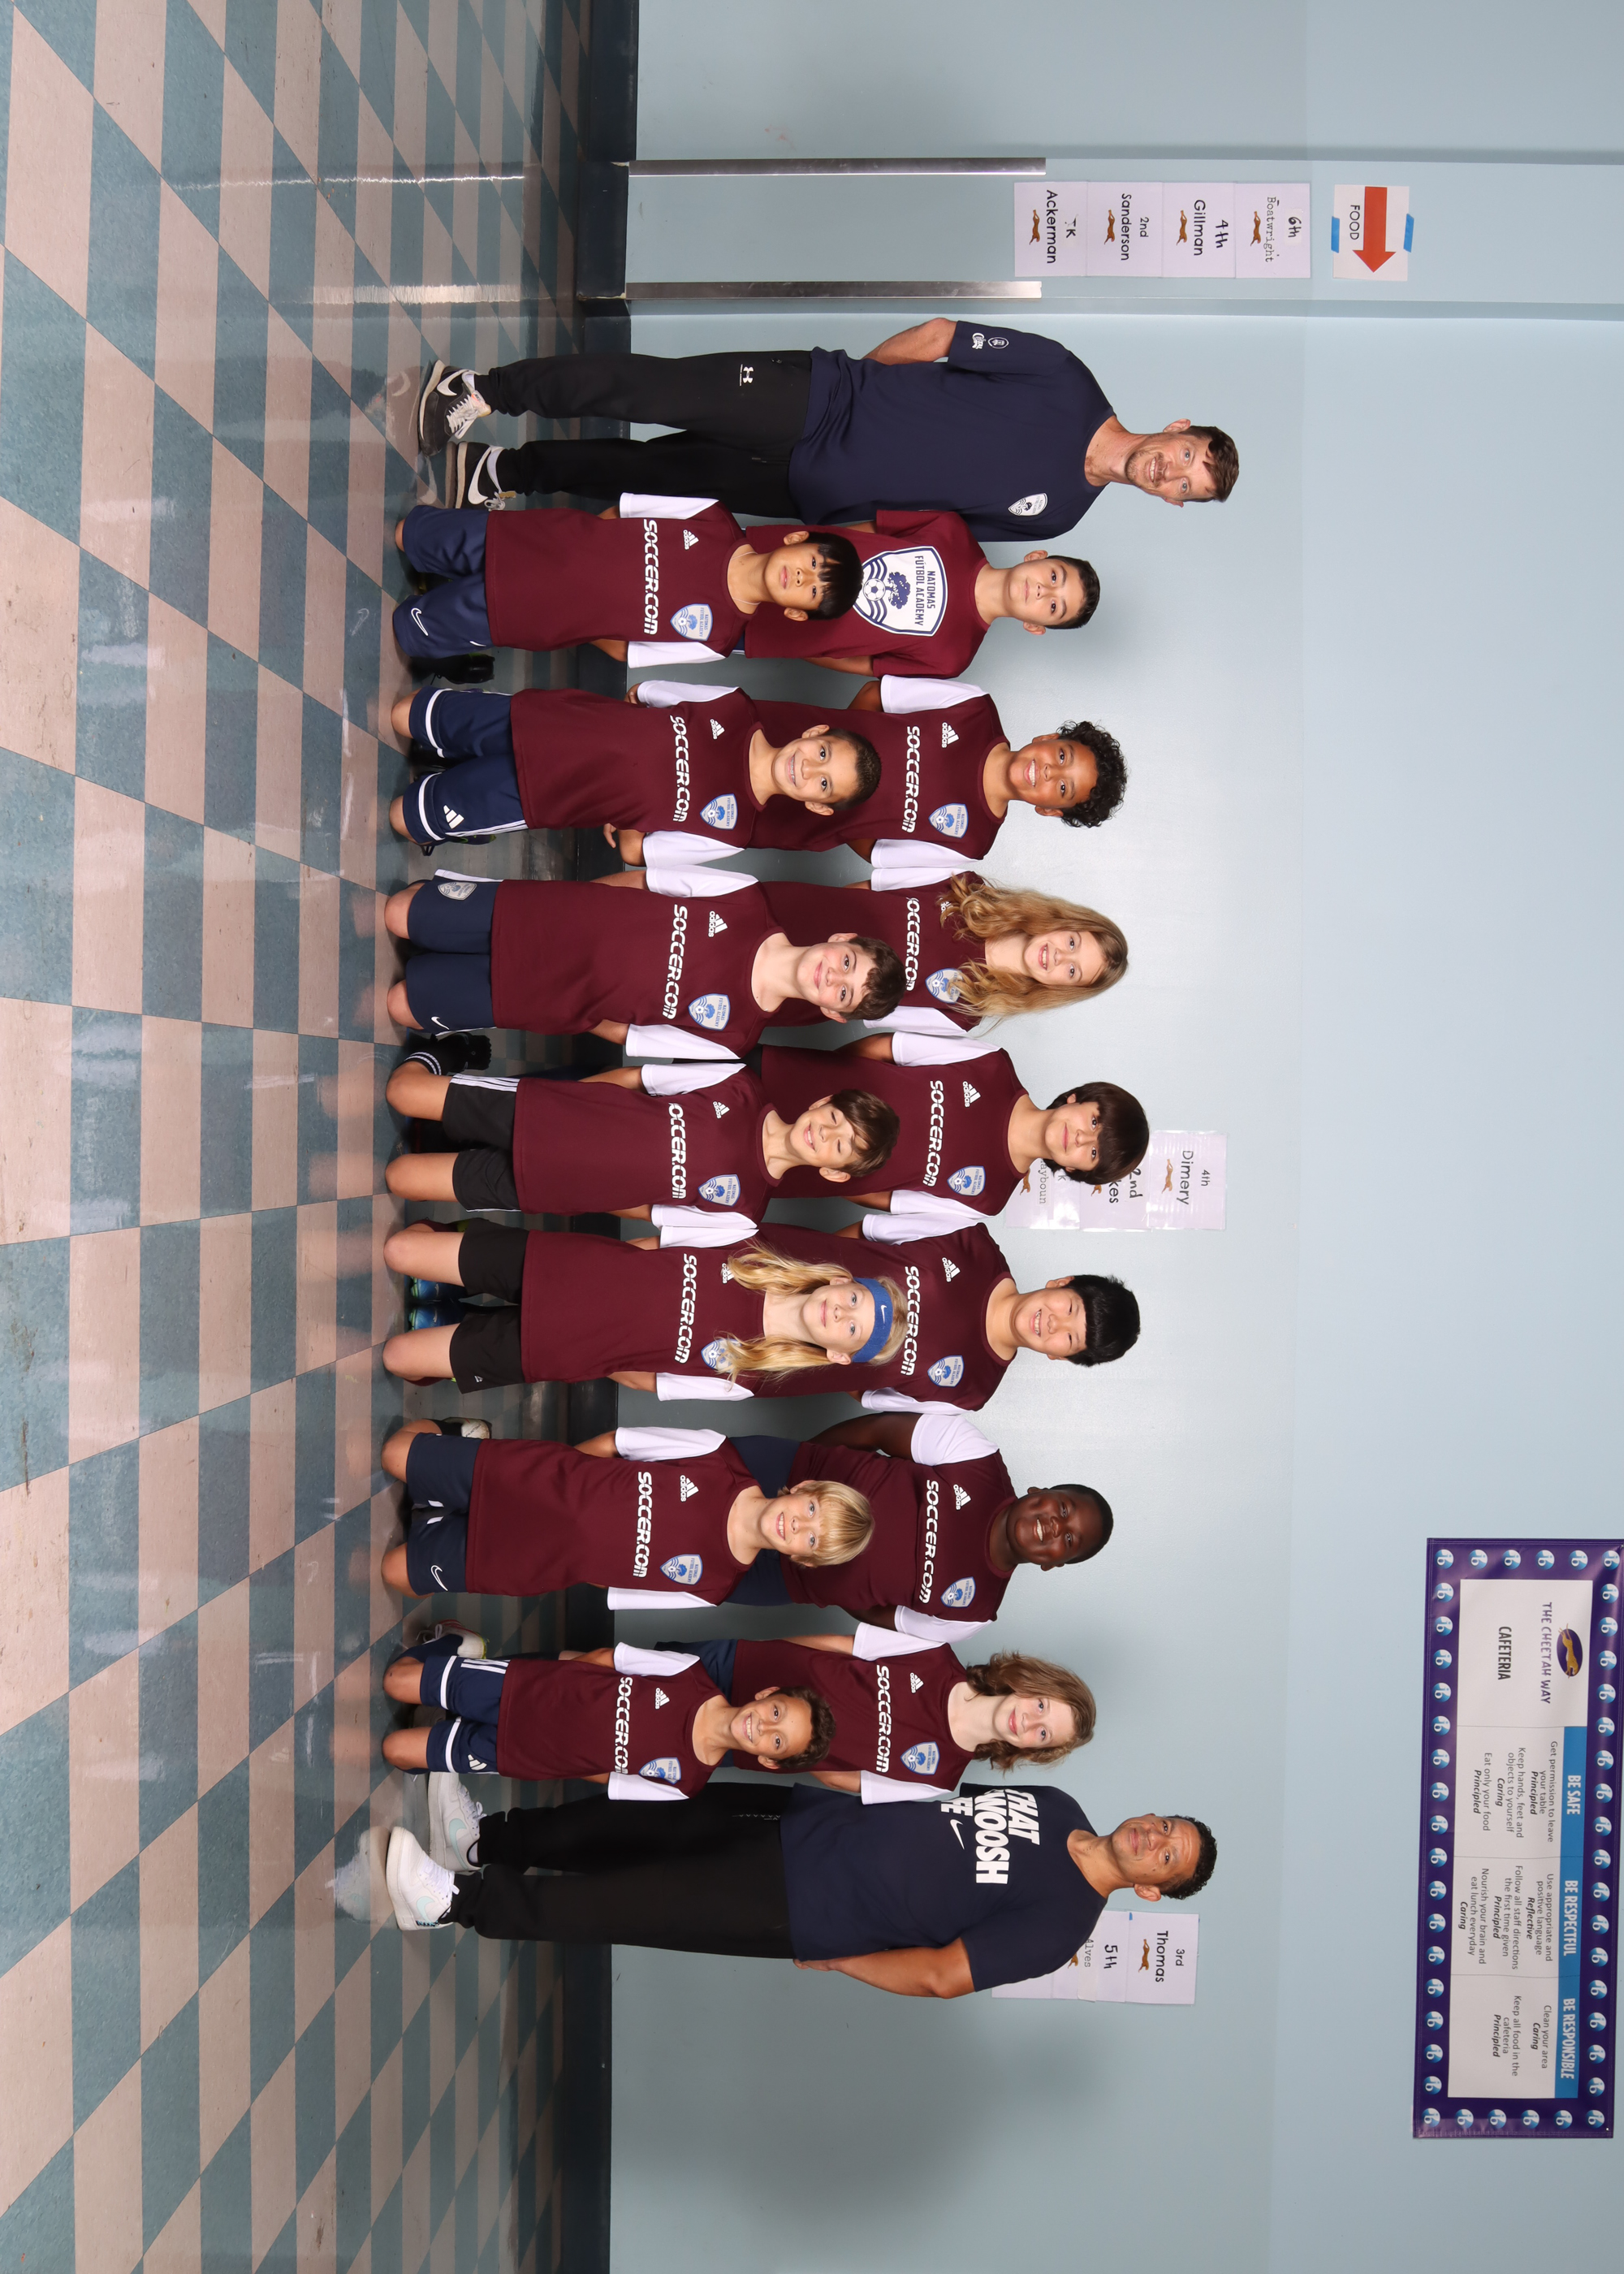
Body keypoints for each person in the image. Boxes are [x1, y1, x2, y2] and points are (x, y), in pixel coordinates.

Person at [386, 1779, 1217, 1996]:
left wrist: (844, 1961)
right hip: (807, 1818)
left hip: (806, 1906)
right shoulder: (1058, 1804)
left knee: (626, 1901)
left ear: (1152, 1890)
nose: (1153, 1838)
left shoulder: (1063, 1925)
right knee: (634, 1821)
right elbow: (931, 1801)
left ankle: (453, 1903)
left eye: (1165, 1857)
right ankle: (485, 1841)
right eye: (1165, 1826)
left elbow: (943, 1975)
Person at [412, 328, 1239, 537]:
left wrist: (834, 518)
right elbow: (941, 337)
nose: (1171, 471)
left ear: (1173, 503)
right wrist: (858, 391)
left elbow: (930, 527)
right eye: (1185, 455)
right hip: (816, 401)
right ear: (1175, 428)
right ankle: (481, 389)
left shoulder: (1058, 517)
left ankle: (505, 471)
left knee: (652, 477)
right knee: (652, 390)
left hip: (805, 490)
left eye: (1185, 485)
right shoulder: (1062, 375)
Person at [380, 1216, 1138, 1408]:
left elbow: (862, 1396)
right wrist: (803, 1272)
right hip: (763, 1277)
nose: (1053, 1325)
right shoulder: (973, 1244)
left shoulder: (970, 1390)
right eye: (1067, 1308)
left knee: (580, 1337)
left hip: (751, 1350)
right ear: (1061, 1281)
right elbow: (860, 1232)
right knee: (579, 1279)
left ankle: (464, 1324)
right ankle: (461, 1277)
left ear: (1062, 1358)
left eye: (1068, 1340)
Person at [391, 496, 1095, 681]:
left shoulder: (954, 656)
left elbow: (857, 662)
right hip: (756, 563)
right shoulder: (950, 532)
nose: (1044, 593)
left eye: (1053, 607)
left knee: (602, 608)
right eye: (1054, 578)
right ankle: (457, 569)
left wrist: (802, 639)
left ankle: (463, 616)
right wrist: (801, 547)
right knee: (593, 564)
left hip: (766, 621)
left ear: (1039, 626)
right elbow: (852, 533)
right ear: (1039, 557)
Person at [612, 1412, 1112, 1635]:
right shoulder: (976, 1458)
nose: (1055, 1527)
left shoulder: (972, 1613)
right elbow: (879, 1429)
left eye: (1069, 1540)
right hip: (784, 1477)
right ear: (1040, 1492)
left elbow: (881, 1615)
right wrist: (808, 1471)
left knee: (647, 1561)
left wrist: (834, 1581)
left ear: (1053, 1564)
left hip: (780, 1576)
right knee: (643, 1478)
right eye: (1064, 1509)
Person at [380, 869, 903, 1055]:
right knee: (400, 914)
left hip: (548, 995)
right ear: (841, 938)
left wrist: (572, 1005)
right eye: (847, 961)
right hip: (547, 918)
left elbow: (631, 1034)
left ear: (831, 1012)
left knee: (402, 1005)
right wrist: (569, 903)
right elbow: (646, 882)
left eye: (843, 992)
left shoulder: (735, 1037)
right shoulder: (746, 898)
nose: (833, 975)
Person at [375, 1420, 874, 1604]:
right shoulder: (720, 1457)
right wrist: (556, 1477)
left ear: (801, 1560)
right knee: (394, 1454)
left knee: (395, 1573)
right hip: (532, 1482)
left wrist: (573, 1550)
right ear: (803, 1487)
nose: (799, 1525)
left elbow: (615, 1584)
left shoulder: (715, 1587)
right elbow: (618, 1444)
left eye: (811, 1539)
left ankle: (438, 1517)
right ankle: (454, 1438)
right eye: (812, 1508)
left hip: (531, 1561)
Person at [378, 1225, 909, 1395]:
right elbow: (653, 1244)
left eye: (853, 1330)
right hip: (556, 1266)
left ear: (839, 1356)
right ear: (842, 1281)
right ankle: (454, 1277)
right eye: (855, 1300)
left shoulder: (745, 1376)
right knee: (401, 1250)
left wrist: (595, 1350)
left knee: (399, 1357)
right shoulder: (750, 1247)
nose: (841, 1314)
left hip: (556, 1348)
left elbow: (646, 1379)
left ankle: (460, 1322)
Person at [382, 1048, 898, 1222]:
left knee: (401, 1177)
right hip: (551, 1114)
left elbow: (649, 1211)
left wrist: (587, 1193)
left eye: (841, 1146)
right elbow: (636, 1079)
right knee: (403, 1093)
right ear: (820, 1102)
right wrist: (565, 1099)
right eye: (836, 1118)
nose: (826, 1133)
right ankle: (446, 1055)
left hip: (551, 1185)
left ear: (834, 1172)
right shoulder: (739, 1082)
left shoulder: (744, 1213)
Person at [385, 680, 881, 855]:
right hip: (545, 722)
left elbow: (638, 849)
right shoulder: (734, 706)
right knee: (403, 715)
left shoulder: (733, 832)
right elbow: (645, 694)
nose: (807, 769)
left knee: (403, 817)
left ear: (817, 806)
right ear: (815, 732)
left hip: (544, 794)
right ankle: (452, 754)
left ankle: (458, 794)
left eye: (823, 784)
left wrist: (624, 804)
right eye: (822, 754)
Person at [390, 499, 860, 665]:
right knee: (408, 534)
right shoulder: (712, 517)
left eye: (812, 590)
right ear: (797, 537)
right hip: (529, 541)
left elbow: (625, 650)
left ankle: (446, 603)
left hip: (530, 616)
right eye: (813, 561)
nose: (803, 575)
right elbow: (623, 512)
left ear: (796, 612)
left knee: (407, 629)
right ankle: (443, 572)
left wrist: (580, 613)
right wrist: (575, 553)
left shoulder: (717, 640)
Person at [379, 1631, 830, 1794]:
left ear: (769, 1760)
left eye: (776, 1740)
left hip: (521, 1752)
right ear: (766, 1694)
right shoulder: (690, 1673)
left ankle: (450, 1726)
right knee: (396, 1682)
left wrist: (550, 1757)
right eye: (775, 1711)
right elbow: (604, 1659)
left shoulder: (686, 1784)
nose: (763, 1726)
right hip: (526, 1691)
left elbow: (605, 1776)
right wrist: (542, 1681)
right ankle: (452, 1648)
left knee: (396, 1750)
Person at [758, 1036, 1149, 1218]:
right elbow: (886, 1049)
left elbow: (884, 1198)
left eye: (1092, 1151)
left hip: (782, 1168)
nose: (1081, 1136)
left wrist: (833, 1167)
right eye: (1094, 1121)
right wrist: (821, 1082)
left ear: (1076, 1170)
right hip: (779, 1077)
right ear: (1077, 1098)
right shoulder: (992, 1065)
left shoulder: (987, 1199)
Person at [691, 1630, 1095, 1799]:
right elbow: (838, 1645)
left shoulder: (939, 1779)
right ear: (1029, 1684)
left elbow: (842, 1779)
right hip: (738, 1667)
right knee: (654, 1670)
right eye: (1041, 1706)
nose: (1030, 1722)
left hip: (745, 1744)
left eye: (1043, 1734)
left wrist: (789, 1747)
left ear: (1032, 1750)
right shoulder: (935, 1653)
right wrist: (762, 1656)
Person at [756, 871, 1126, 1033]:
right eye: (1073, 943)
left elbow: (874, 1024)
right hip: (782, 913)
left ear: (1062, 988)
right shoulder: (968, 890)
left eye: (1072, 971)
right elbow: (871, 888)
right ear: (1062, 922)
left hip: (787, 996)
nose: (1060, 957)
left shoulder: (966, 1012)